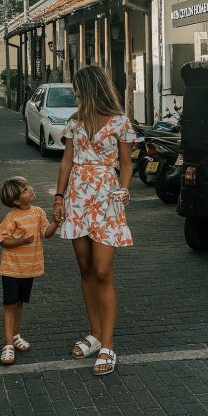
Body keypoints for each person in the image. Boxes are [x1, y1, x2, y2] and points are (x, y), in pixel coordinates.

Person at [52, 65, 134, 377]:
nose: (74, 92)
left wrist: (124, 189)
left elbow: (126, 163)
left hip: (106, 198)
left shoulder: (120, 122)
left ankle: (108, 345)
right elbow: (66, 161)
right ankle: (95, 333)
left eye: (76, 87)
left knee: (102, 270)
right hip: (77, 198)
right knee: (85, 268)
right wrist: (58, 197)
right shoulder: (74, 122)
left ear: (89, 88)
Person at [0, 176, 59, 365]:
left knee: (19, 304)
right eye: (24, 190)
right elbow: (2, 239)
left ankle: (15, 336)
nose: (30, 189)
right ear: (16, 201)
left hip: (28, 270)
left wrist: (56, 222)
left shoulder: (38, 212)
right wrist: (20, 241)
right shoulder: (12, 218)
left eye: (28, 186)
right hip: (11, 269)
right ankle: (8, 344)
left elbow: (46, 233)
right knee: (10, 305)